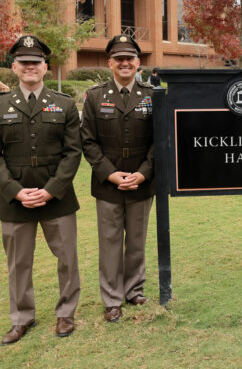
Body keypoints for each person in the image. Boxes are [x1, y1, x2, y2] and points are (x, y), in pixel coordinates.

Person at [0, 35, 82, 344]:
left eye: (35, 63)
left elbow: (72, 153)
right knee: (19, 263)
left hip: (57, 197)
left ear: (45, 67)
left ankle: (66, 313)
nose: (30, 68)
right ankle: (22, 318)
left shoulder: (64, 105)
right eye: (24, 63)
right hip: (15, 200)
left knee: (67, 258)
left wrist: (51, 190)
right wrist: (15, 191)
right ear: (14, 67)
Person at [80, 35, 156, 323]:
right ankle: (112, 298)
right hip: (108, 184)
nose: (125, 63)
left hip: (142, 181)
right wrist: (110, 174)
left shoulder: (152, 94)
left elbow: (159, 140)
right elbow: (87, 141)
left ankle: (134, 290)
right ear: (109, 62)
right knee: (110, 242)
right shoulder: (96, 95)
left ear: (138, 62)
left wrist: (143, 173)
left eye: (130, 58)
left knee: (136, 240)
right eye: (119, 58)